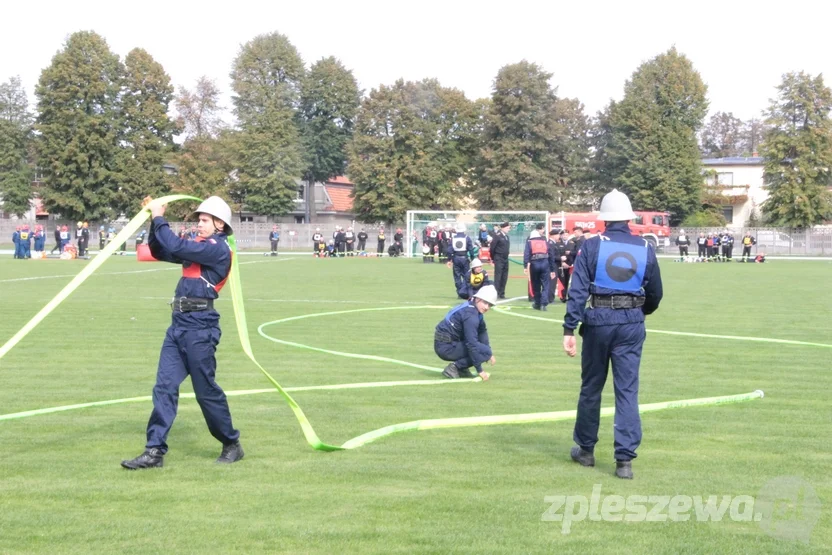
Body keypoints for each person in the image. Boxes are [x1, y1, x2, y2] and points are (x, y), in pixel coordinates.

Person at [121, 196, 243, 470]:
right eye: (198, 220)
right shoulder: (198, 247)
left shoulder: (217, 249)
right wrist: (155, 224)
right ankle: (154, 451)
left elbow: (174, 244)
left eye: (204, 220)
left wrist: (159, 216)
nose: (199, 224)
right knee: (164, 387)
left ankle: (231, 443)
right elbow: (161, 249)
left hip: (201, 328)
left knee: (206, 392)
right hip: (177, 326)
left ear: (219, 224)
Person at [563, 189, 663, 480]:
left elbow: (577, 291)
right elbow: (656, 292)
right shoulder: (645, 246)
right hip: (632, 323)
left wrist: (570, 327)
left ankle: (586, 449)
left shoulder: (592, 245)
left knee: (591, 387)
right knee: (627, 391)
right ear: (629, 217)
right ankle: (624, 461)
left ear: (604, 219)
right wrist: (639, 312)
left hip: (598, 322)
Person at [434, 284, 498, 381]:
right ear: (478, 299)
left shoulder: (473, 308)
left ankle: (461, 368)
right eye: (485, 303)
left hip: (446, 343)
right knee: (479, 349)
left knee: (484, 350)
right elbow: (471, 343)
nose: (487, 307)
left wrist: (488, 351)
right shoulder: (470, 315)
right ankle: (455, 367)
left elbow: (482, 332)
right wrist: (479, 369)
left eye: (490, 305)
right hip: (445, 347)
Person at [524, 223, 556, 311]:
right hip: (545, 263)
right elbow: (551, 255)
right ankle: (543, 304)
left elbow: (526, 254)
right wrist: (552, 269)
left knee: (536, 284)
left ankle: (537, 303)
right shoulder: (545, 242)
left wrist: (525, 266)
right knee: (545, 284)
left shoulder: (530, 242)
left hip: (534, 264)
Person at [446, 222, 475, 297]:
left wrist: (449, 260)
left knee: (457, 276)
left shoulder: (453, 238)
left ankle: (459, 292)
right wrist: (473, 258)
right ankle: (466, 292)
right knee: (467, 276)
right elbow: (471, 250)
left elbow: (449, 250)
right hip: (464, 259)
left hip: (456, 258)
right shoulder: (466, 238)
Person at [490, 222, 511, 299]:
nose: (509, 229)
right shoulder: (497, 236)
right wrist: (493, 258)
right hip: (499, 258)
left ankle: (502, 293)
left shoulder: (507, 237)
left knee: (504, 276)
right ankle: (496, 293)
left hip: (505, 258)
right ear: (503, 228)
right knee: (498, 276)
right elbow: (492, 248)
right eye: (508, 228)